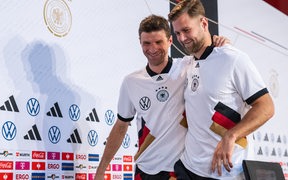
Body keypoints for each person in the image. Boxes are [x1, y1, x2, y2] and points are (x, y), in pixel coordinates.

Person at [94, 14, 228, 180]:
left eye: (158, 42)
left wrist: (222, 46)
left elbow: (215, 59)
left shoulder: (189, 66)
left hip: (181, 169)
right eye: (147, 43)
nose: (152, 48)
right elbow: (121, 126)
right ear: (140, 43)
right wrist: (101, 171)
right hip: (146, 169)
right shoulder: (131, 82)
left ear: (170, 41)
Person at [168, 0, 275, 179]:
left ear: (203, 23)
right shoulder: (187, 65)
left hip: (227, 172)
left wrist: (231, 136)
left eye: (186, 30)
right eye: (177, 33)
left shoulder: (233, 58)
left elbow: (266, 107)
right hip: (190, 168)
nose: (182, 38)